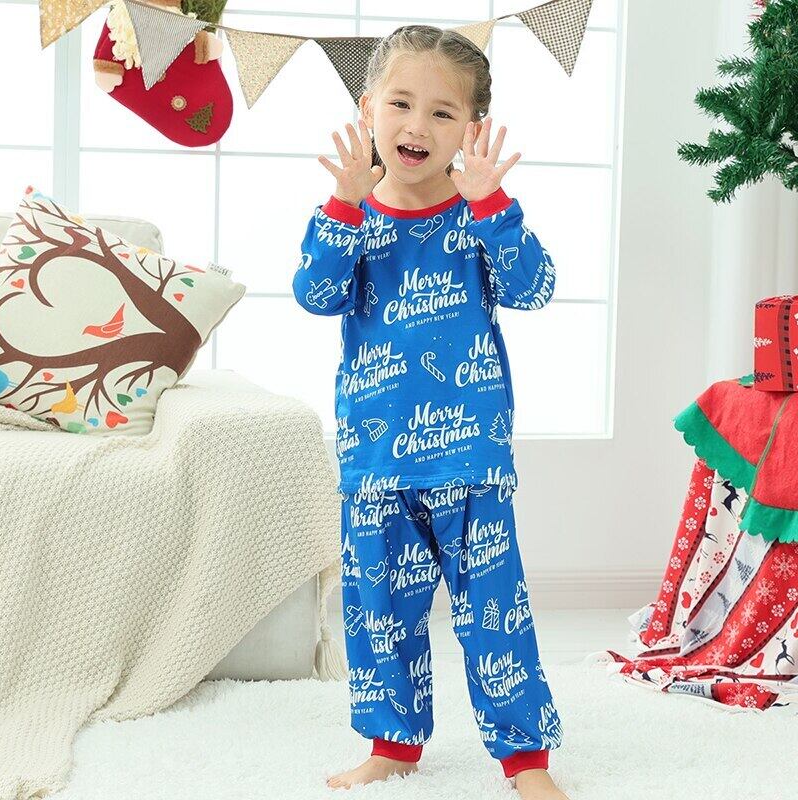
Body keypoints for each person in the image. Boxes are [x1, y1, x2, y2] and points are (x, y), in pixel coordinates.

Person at [292, 24, 568, 800]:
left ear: (472, 129)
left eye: (443, 112)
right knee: (380, 616)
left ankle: (526, 761)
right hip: (376, 463)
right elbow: (315, 294)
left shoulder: (480, 215)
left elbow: (534, 288)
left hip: (470, 458)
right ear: (367, 109)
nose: (418, 125)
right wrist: (343, 206)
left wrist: (495, 206)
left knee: (495, 615)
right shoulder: (350, 215)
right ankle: (393, 745)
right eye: (401, 103)